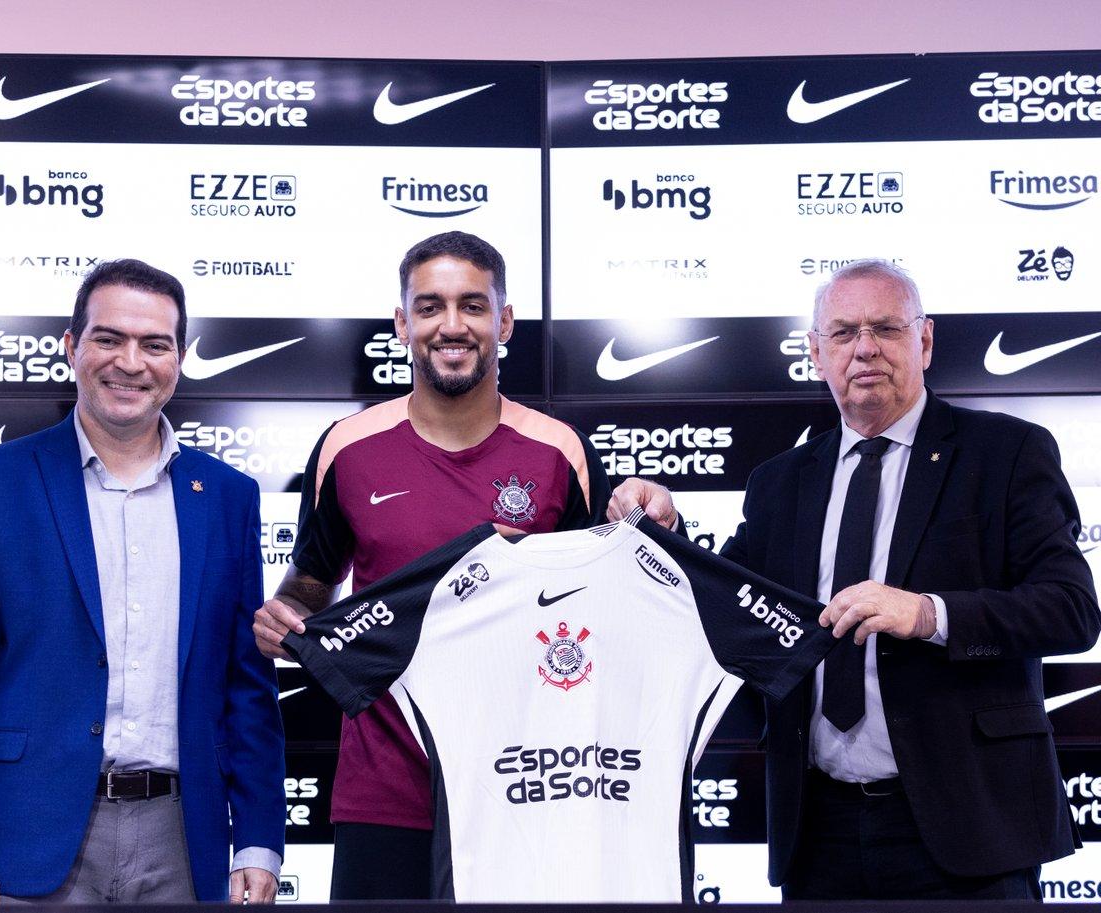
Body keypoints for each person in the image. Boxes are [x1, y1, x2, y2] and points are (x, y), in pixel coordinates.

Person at [252, 231, 677, 900]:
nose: (452, 326)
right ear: (402, 324)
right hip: (385, 790)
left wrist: (654, 527)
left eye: (473, 306)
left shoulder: (559, 451)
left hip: (529, 787)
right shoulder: (347, 447)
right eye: (430, 307)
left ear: (503, 322)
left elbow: (616, 596)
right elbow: (312, 577)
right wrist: (289, 615)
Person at [720, 258, 1099, 900]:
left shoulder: (1007, 453)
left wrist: (928, 615)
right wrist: (659, 531)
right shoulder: (779, 482)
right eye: (844, 333)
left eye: (886, 328)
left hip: (970, 828)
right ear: (816, 353)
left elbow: (1071, 610)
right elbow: (725, 605)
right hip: (817, 832)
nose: (864, 348)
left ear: (923, 341)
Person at [0, 259, 285, 904]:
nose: (131, 362)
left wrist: (259, 837)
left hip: (184, 840)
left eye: (155, 344)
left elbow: (247, 683)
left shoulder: (228, 496)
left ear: (179, 360)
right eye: (109, 339)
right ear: (71, 347)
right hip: (26, 837)